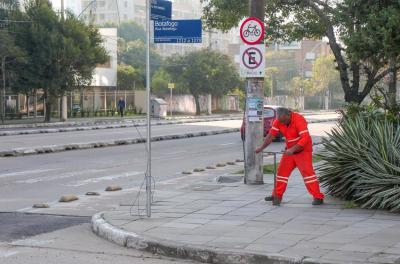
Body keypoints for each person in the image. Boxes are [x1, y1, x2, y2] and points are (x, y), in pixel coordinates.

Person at [256, 107, 324, 206]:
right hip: (289, 151)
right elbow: (271, 136)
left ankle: (318, 197)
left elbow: (305, 138)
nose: (282, 124)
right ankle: (277, 195)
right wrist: (261, 148)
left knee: (308, 174)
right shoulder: (279, 120)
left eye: (284, 121)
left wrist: (292, 150)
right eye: (280, 121)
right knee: (281, 173)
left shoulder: (299, 120)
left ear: (288, 115)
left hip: (303, 150)